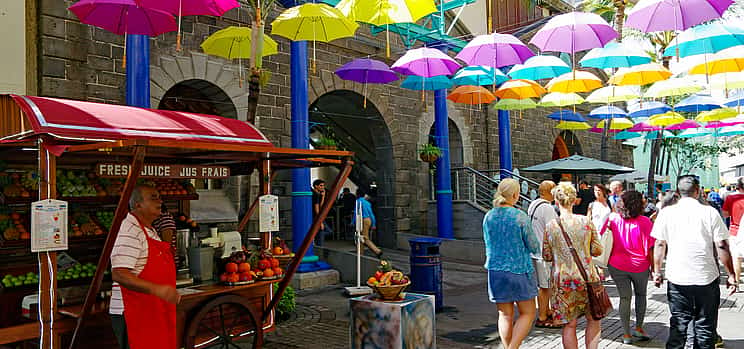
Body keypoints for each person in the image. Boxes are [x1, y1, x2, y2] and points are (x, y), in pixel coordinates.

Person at [652, 175, 738, 349]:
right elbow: (721, 245)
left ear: (678, 192)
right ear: (698, 191)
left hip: (677, 277)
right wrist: (731, 274)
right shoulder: (709, 212)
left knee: (678, 325)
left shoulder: (667, 213)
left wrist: (657, 271)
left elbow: (660, 244)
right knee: (705, 326)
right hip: (705, 276)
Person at [110, 185, 180, 349]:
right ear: (137, 205)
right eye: (153, 197)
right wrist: (158, 290)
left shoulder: (150, 230)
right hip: (133, 312)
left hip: (152, 310)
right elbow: (119, 274)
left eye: (159, 197)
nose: (160, 201)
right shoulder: (129, 230)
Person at [542, 183, 603, 349]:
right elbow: (597, 250)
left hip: (563, 280)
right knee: (593, 320)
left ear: (556, 201)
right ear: (574, 200)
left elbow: (546, 255)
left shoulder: (551, 226)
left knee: (569, 325)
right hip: (587, 278)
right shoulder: (586, 221)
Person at [482, 178, 539, 349]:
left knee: (504, 314)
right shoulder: (520, 217)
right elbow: (534, 246)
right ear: (515, 195)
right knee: (528, 312)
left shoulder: (489, 216)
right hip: (519, 269)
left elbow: (487, 242)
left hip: (495, 270)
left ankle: (509, 347)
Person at [605, 191, 655, 344]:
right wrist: (654, 268)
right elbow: (650, 248)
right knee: (641, 296)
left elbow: (603, 239)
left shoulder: (612, 219)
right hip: (640, 266)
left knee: (624, 298)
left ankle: (626, 334)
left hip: (617, 265)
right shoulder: (645, 222)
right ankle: (639, 328)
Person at [527, 180, 559, 328]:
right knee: (545, 286)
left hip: (535, 251)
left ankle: (546, 311)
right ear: (550, 191)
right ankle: (542, 316)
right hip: (544, 252)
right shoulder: (547, 208)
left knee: (544, 285)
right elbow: (554, 230)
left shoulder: (534, 204)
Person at [722, 177, 744, 287]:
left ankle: (737, 284)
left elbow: (725, 214)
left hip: (735, 231)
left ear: (738, 187)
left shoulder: (731, 198)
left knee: (736, 258)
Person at [352, 187, 382, 258]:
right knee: (361, 238)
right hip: (368, 220)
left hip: (362, 220)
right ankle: (360, 253)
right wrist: (374, 223)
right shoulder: (367, 203)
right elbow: (371, 214)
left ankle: (377, 251)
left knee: (364, 238)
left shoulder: (358, 201)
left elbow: (356, 213)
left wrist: (353, 222)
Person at [312, 179, 332, 245]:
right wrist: (320, 221)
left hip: (316, 217)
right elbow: (317, 209)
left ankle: (316, 239)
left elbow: (321, 206)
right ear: (316, 186)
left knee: (322, 231)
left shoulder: (317, 194)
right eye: (321, 186)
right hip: (316, 217)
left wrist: (323, 196)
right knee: (326, 231)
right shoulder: (315, 195)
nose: (322, 187)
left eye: (323, 186)